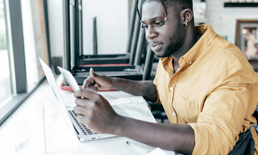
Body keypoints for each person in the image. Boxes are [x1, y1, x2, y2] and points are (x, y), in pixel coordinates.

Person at [73, 0, 258, 154]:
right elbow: (159, 90)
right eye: (145, 26)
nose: (149, 34)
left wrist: (115, 123)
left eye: (158, 23)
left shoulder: (228, 66)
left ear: (185, 17)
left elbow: (214, 140)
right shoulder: (171, 52)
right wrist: (112, 83)